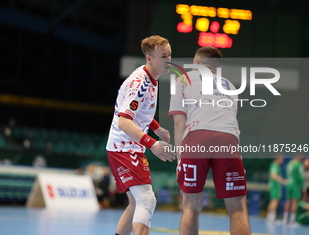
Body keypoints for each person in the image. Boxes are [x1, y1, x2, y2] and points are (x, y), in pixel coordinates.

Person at [169, 46, 251, 235]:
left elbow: (179, 122)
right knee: (238, 208)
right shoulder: (231, 86)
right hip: (228, 139)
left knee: (190, 205)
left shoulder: (184, 78)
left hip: (197, 137)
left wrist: (180, 157)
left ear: (196, 63)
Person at [106, 35, 176, 235]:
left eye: (170, 55)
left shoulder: (152, 76)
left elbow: (138, 111)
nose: (168, 60)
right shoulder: (140, 83)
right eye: (163, 56)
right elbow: (124, 120)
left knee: (136, 203)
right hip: (123, 147)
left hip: (131, 145)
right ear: (149, 58)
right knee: (147, 199)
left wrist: (155, 126)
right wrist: (153, 144)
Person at [282, 156, 304, 225]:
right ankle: (292, 220)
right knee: (295, 201)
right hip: (295, 185)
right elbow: (300, 176)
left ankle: (284, 219)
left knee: (288, 201)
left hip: (289, 183)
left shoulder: (289, 163)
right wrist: (302, 185)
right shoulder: (299, 164)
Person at [266, 156, 287, 222]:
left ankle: (269, 217)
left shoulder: (275, 165)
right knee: (275, 201)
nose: (283, 160)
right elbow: (273, 175)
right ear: (278, 158)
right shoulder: (275, 165)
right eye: (282, 158)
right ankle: (272, 218)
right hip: (275, 186)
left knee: (273, 201)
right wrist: (282, 180)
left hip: (275, 186)